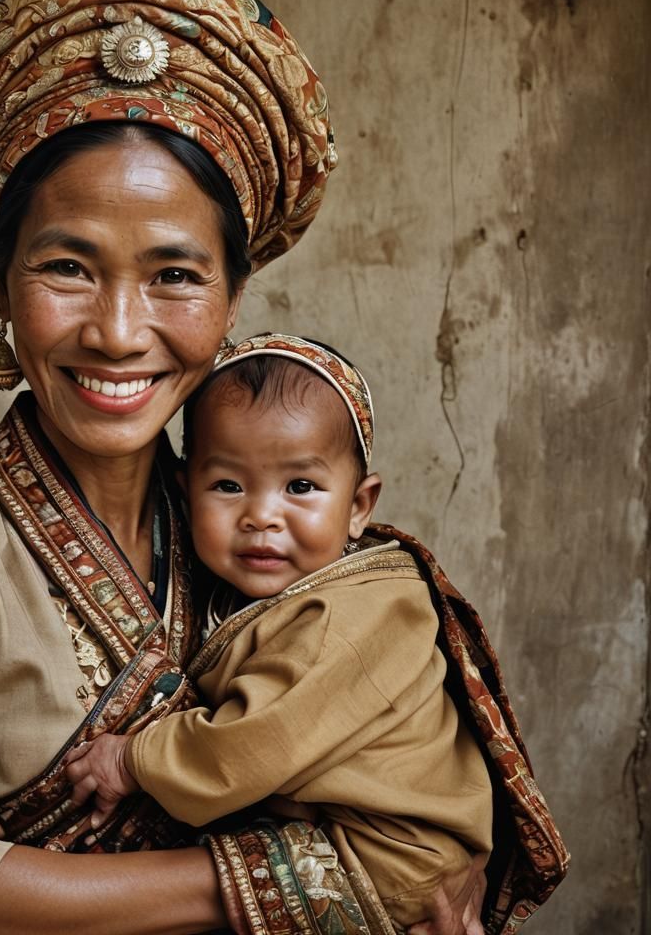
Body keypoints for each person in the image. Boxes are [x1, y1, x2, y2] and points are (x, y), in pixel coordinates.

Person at [0, 0, 563, 935]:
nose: (118, 330)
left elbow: (413, 782)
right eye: (67, 266)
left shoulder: (279, 542)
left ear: (233, 300)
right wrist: (300, 881)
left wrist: (437, 866)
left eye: (174, 276)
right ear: (0, 290)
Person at [65, 334, 495, 931]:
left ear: (359, 507)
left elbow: (249, 743)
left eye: (300, 487)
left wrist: (131, 761)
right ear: (186, 495)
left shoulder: (352, 615)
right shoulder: (262, 598)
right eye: (228, 486)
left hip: (388, 862)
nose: (262, 516)